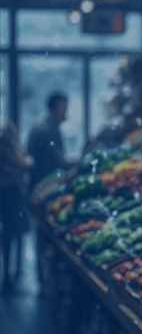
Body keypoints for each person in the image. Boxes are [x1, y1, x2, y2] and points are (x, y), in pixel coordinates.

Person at [26, 92, 74, 289]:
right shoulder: (46, 131)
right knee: (45, 234)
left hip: (40, 190)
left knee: (42, 234)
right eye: (64, 108)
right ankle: (44, 280)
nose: (66, 113)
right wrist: (78, 163)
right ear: (55, 109)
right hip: (43, 192)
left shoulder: (44, 128)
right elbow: (58, 160)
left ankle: (44, 279)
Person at [0, 120, 34, 293]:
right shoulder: (7, 150)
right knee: (12, 235)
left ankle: (14, 272)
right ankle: (9, 274)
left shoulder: (11, 149)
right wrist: (25, 162)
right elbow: (24, 164)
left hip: (12, 197)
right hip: (10, 196)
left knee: (15, 234)